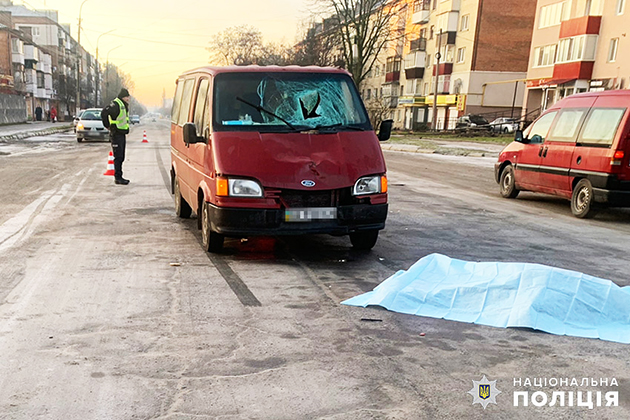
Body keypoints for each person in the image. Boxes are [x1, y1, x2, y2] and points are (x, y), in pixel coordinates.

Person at [102, 88, 131, 185]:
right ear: (123, 97)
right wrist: (107, 125)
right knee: (118, 157)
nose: (128, 99)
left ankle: (119, 176)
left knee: (121, 156)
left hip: (121, 133)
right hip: (116, 133)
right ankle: (118, 177)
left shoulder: (122, 104)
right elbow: (104, 113)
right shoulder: (116, 104)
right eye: (127, 97)